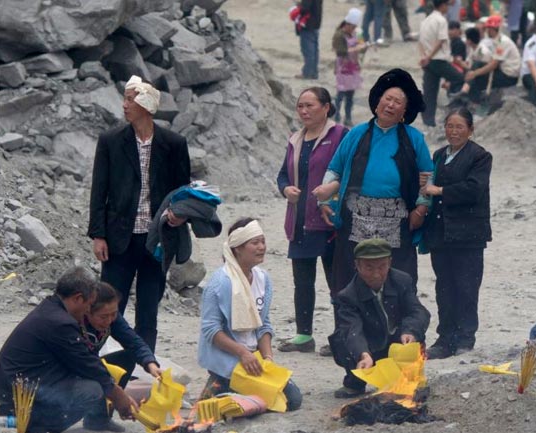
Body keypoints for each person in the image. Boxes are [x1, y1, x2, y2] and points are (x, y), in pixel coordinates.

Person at [88, 75, 190, 354]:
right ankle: (95, 362)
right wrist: (98, 235)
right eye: (125, 99)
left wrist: (181, 215)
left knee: (148, 310)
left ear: (146, 105)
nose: (124, 105)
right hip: (119, 238)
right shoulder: (110, 141)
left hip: (157, 240)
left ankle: (144, 366)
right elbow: (99, 191)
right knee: (108, 306)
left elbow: (183, 191)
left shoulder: (174, 144)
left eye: (130, 100)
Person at [313, 68, 434, 296]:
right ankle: (352, 319)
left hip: (398, 221)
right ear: (377, 102)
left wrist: (420, 209)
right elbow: (334, 169)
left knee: (397, 279)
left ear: (404, 111)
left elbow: (429, 175)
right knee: (351, 278)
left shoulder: (413, 138)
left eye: (398, 102)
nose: (391, 105)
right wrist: (324, 201)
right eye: (387, 99)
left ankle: (395, 319)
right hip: (355, 218)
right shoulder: (356, 134)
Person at [0, 267, 138, 433]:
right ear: (78, 298)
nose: (88, 311)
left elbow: (87, 360)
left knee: (91, 379)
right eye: (89, 305)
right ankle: (35, 427)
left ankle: (28, 423)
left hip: (14, 386)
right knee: (92, 391)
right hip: (13, 397)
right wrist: (118, 395)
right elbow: (88, 365)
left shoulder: (51, 308)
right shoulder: (59, 323)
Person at [198, 218, 302, 411]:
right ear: (238, 248)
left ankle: (234, 392)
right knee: (237, 405)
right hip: (229, 357)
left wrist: (267, 358)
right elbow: (211, 330)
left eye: (263, 241)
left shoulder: (263, 278)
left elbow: (263, 324)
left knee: (292, 400)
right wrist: (243, 353)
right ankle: (221, 383)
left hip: (253, 358)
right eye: (255, 243)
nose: (261, 247)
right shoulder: (220, 282)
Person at [276, 88, 348, 354]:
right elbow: (283, 175)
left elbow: (351, 171)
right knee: (302, 281)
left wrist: (332, 189)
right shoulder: (295, 139)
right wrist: (286, 189)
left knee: (337, 282)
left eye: (310, 105)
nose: (304, 111)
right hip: (300, 219)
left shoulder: (340, 135)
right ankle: (304, 336)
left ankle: (343, 335)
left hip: (330, 220)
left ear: (326, 107)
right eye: (300, 106)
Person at [420, 108, 492, 359]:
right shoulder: (439, 155)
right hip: (441, 232)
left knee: (467, 286)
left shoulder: (480, 156)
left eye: (459, 127)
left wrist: (439, 190)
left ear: (470, 130)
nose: (453, 131)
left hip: (469, 234)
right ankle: (445, 338)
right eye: (450, 126)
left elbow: (474, 189)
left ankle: (465, 338)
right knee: (444, 286)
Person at [328, 239, 430, 398]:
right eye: (369, 267)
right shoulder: (348, 296)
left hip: (397, 342)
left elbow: (418, 312)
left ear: (389, 263)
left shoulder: (402, 281)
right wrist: (362, 354)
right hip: (370, 345)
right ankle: (355, 381)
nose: (376, 274)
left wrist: (410, 332)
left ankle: (409, 378)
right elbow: (352, 329)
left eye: (382, 267)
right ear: (357, 266)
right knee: (342, 339)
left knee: (416, 333)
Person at [81, 282, 163, 431]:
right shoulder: (72, 323)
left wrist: (150, 364)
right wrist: (119, 396)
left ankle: (100, 419)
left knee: (127, 357)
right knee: (98, 377)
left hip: (92, 364)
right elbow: (85, 365)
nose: (109, 321)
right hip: (71, 369)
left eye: (113, 314)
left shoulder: (111, 318)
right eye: (103, 317)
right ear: (87, 311)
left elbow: (133, 341)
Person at [419, 0, 465, 128]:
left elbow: (420, 42)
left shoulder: (425, 21)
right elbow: (440, 41)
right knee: (460, 78)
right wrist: (429, 56)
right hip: (438, 60)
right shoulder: (441, 20)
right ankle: (456, 107)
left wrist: (423, 57)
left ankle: (428, 121)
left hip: (428, 61)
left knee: (429, 92)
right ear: (443, 5)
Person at [460, 15, 521, 102]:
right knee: (477, 65)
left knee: (478, 77)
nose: (486, 31)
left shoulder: (503, 42)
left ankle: (473, 100)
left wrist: (475, 73)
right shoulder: (495, 40)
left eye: (487, 29)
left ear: (492, 29)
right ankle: (464, 92)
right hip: (501, 71)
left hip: (508, 76)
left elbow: (493, 64)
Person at [332, 9, 367, 127]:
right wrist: (357, 48)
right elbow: (340, 52)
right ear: (347, 25)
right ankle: (336, 115)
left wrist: (363, 47)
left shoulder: (356, 33)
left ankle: (348, 117)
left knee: (350, 94)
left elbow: (362, 46)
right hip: (343, 67)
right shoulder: (339, 35)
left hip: (353, 67)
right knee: (341, 92)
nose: (353, 29)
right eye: (352, 27)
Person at [296, 0, 323, 80]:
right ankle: (314, 72)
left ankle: (307, 73)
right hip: (315, 23)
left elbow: (305, 9)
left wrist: (299, 7)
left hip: (308, 24)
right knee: (314, 51)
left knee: (308, 51)